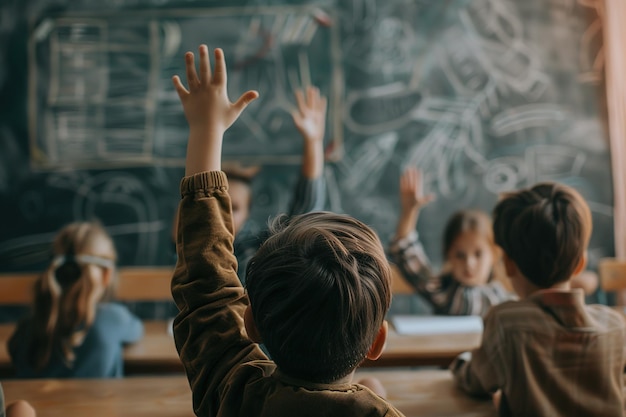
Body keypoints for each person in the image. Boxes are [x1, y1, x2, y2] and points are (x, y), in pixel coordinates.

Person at [170, 45, 403, 416]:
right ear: (377, 342)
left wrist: (206, 130)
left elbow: (206, 287)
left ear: (251, 323)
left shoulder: (233, 391)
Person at [450, 182, 626, 417]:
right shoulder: (616, 327)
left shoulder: (507, 323)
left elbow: (477, 381)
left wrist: (461, 363)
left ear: (509, 264)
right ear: (580, 265)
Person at [8, 222, 144, 378]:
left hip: (34, 403)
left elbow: (14, 350)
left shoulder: (26, 328)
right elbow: (137, 330)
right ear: (107, 275)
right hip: (101, 403)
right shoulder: (113, 319)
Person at [389, 167, 514, 316]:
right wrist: (409, 212)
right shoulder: (441, 291)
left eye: (478, 254)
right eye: (460, 255)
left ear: (495, 253)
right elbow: (405, 251)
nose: (469, 264)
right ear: (449, 256)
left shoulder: (502, 299)